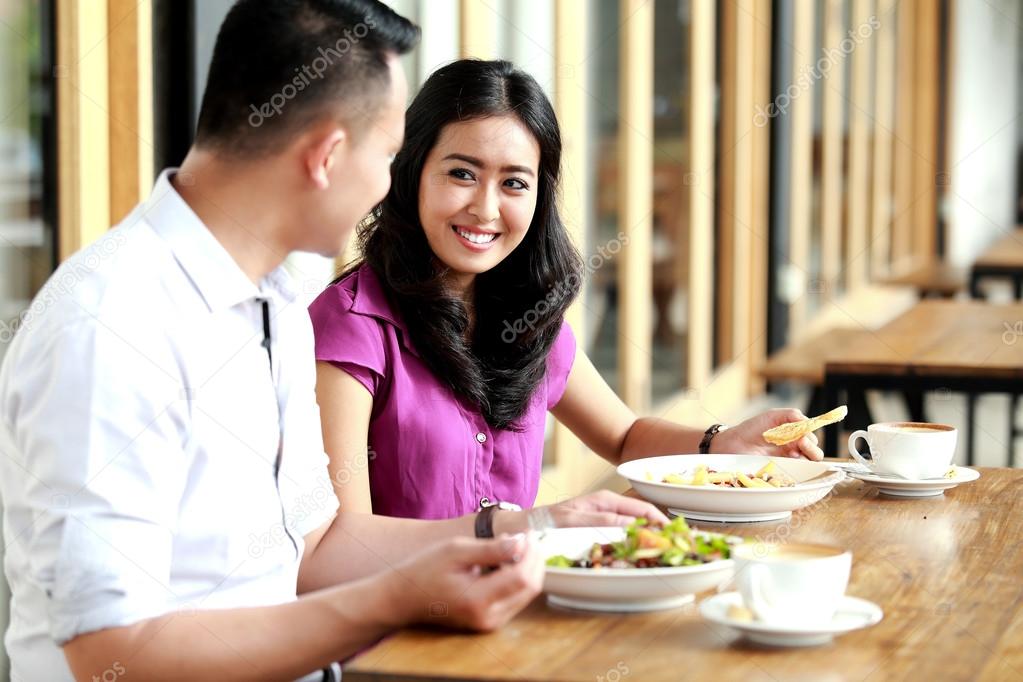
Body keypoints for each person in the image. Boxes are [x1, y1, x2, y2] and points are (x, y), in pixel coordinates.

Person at [0, 4, 664, 681]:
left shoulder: (276, 304)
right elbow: (111, 654)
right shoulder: (112, 326)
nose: (389, 186)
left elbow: (317, 547)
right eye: (388, 155)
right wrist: (391, 598)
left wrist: (532, 530)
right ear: (327, 156)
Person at [310, 59, 825, 519]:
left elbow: (624, 437)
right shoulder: (351, 326)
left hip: (511, 605)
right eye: (462, 174)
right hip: (398, 621)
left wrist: (722, 442)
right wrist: (529, 528)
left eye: (514, 183)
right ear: (411, 171)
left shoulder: (525, 315)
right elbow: (342, 543)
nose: (486, 209)